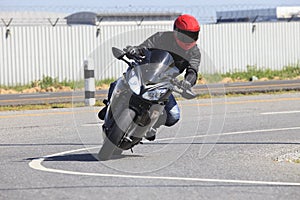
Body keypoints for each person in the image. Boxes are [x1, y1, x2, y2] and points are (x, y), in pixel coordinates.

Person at [98, 14, 201, 141]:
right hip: (144, 72)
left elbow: (193, 71)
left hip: (165, 83)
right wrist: (134, 50)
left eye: (192, 35)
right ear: (176, 31)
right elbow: (144, 47)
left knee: (174, 116)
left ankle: (150, 126)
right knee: (117, 83)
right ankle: (109, 105)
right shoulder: (161, 37)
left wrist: (187, 82)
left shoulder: (194, 52)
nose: (188, 39)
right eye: (185, 35)